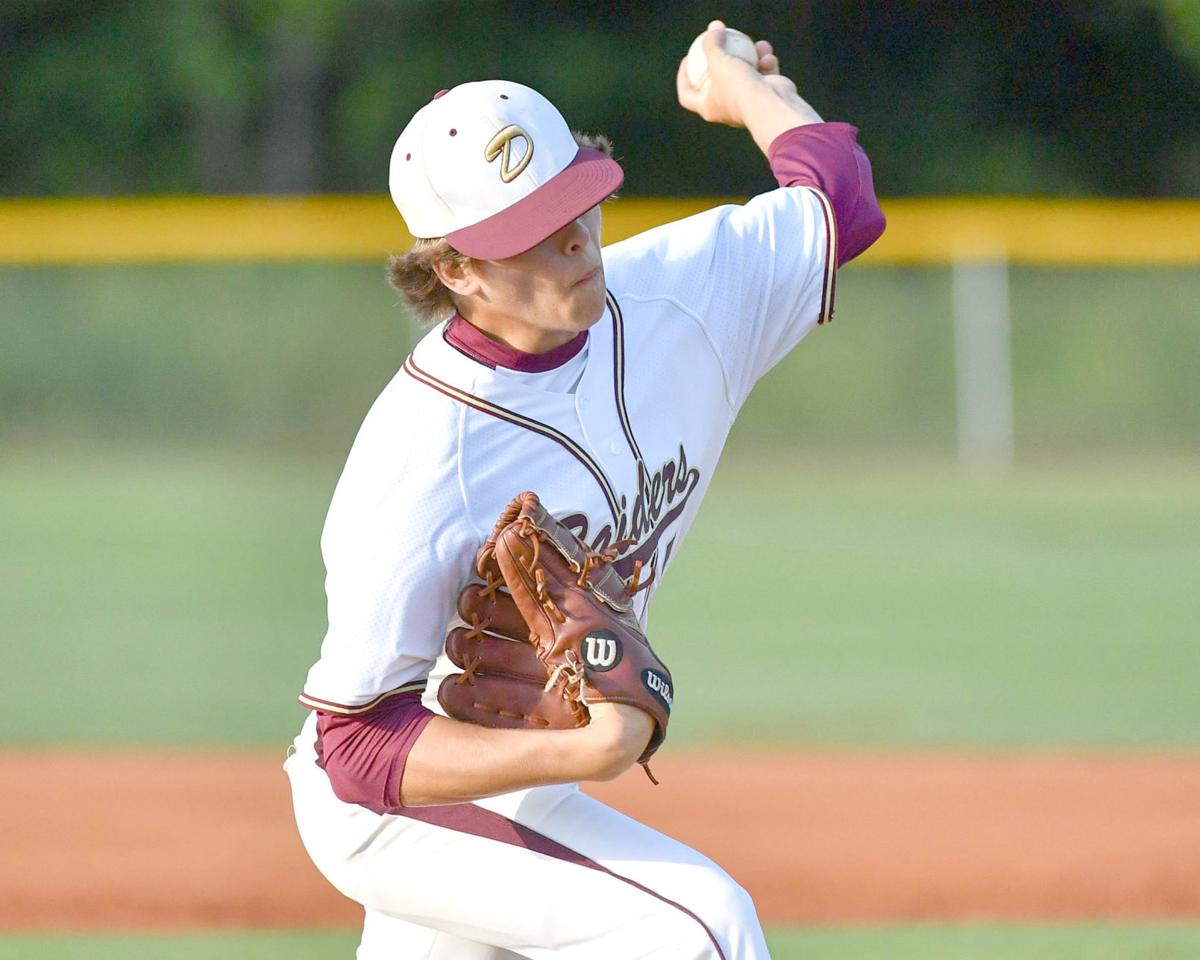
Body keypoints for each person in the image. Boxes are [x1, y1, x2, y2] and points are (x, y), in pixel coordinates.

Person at [284, 20, 885, 959]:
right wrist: (587, 750)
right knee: (700, 929)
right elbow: (353, 751)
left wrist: (748, 97)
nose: (573, 240)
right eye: (530, 232)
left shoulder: (679, 294)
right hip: (399, 816)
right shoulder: (420, 456)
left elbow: (838, 203)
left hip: (522, 799)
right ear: (454, 269)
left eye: (577, 201)